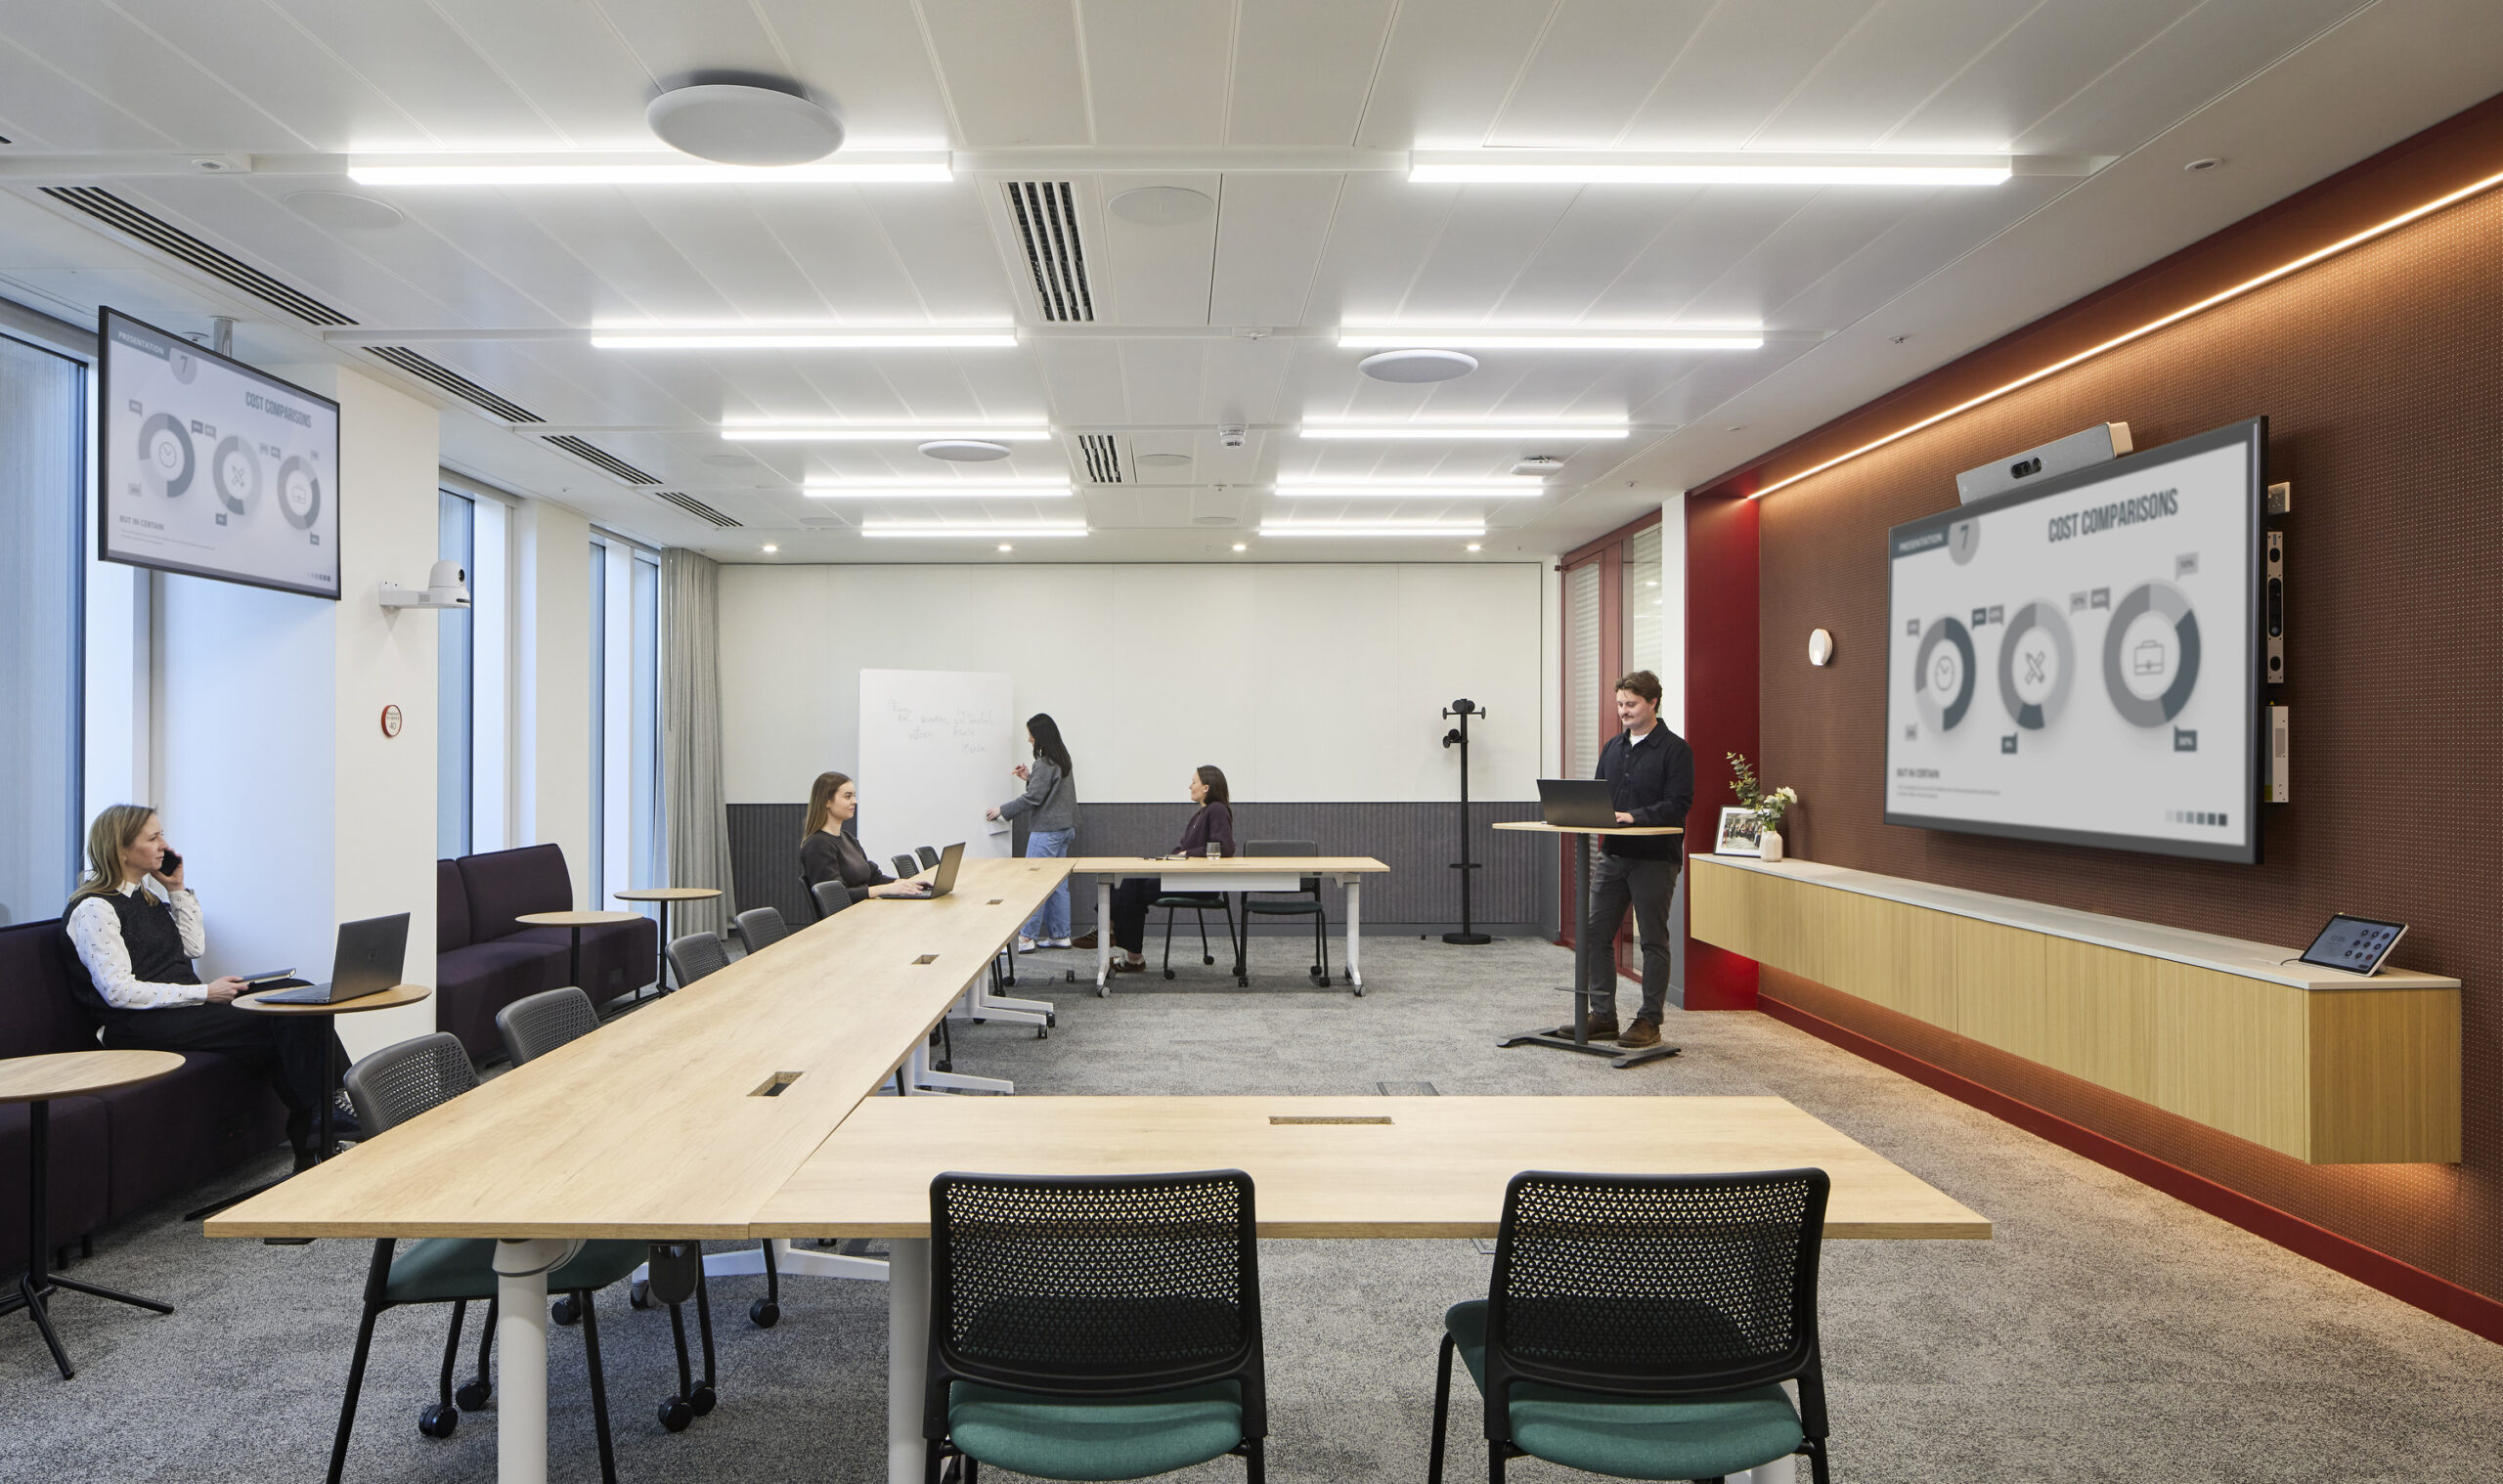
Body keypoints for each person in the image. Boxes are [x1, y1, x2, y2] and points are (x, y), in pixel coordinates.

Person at [61, 805, 352, 1169]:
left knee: (300, 992)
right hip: (133, 1025)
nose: (165, 845)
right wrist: (205, 993)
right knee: (281, 1019)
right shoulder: (95, 908)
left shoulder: (147, 898)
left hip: (179, 1009)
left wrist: (177, 888)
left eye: (162, 835)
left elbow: (193, 948)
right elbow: (119, 992)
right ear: (120, 849)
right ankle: (324, 1118)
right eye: (153, 838)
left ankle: (323, 1117)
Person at [1584, 671, 1693, 1049]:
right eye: (1620, 705)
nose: (1624, 712)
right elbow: (1598, 795)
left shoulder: (1675, 750)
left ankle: (1649, 1021)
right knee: (1595, 934)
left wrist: (1635, 816)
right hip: (1613, 855)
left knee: (1652, 941)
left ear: (1653, 703)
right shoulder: (1612, 748)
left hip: (1654, 860)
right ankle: (1603, 1017)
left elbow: (1679, 805)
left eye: (1631, 704)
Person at [1108, 765, 1236, 974]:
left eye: (1193, 782)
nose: (1189, 785)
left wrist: (1187, 854)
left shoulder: (1217, 809)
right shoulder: (1199, 815)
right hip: (1186, 878)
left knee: (1130, 885)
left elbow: (1224, 847)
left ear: (1206, 787)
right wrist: (1171, 857)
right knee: (1129, 884)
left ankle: (1113, 934)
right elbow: (1185, 848)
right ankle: (1121, 943)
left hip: (1201, 883)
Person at [986, 714, 1078, 951]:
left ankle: (1026, 937)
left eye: (1030, 735)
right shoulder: (1062, 759)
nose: (1029, 739)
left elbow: (1034, 798)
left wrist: (1002, 811)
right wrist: (1029, 778)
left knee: (1034, 883)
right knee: (1057, 884)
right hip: (1065, 829)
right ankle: (1060, 935)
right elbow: (1047, 792)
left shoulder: (1044, 763)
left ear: (1040, 737)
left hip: (1047, 832)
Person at [800, 772, 935, 904]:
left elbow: (874, 877)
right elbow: (835, 897)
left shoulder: (848, 838)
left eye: (854, 796)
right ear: (827, 801)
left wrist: (902, 883)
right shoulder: (817, 845)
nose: (854, 801)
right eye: (847, 797)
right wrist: (885, 889)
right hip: (846, 920)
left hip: (863, 910)